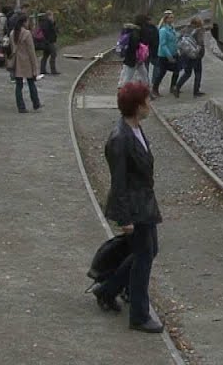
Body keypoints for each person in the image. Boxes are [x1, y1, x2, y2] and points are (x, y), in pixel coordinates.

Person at [90, 81, 164, 334]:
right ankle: (139, 316)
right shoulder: (120, 138)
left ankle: (108, 290)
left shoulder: (135, 130)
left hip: (144, 203)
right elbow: (118, 182)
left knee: (149, 251)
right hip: (134, 207)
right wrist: (125, 219)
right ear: (137, 106)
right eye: (147, 100)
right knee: (144, 257)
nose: (150, 104)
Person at [10, 14, 42, 113]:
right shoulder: (27, 34)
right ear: (24, 22)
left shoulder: (12, 33)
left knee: (19, 85)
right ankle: (36, 103)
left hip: (17, 61)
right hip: (27, 61)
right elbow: (31, 51)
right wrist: (35, 66)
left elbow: (12, 48)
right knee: (31, 83)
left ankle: (21, 106)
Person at [172, 17, 207, 98]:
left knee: (187, 73)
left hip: (186, 54)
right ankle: (196, 91)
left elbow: (178, 38)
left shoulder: (185, 29)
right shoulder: (199, 30)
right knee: (198, 72)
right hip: (196, 55)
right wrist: (200, 51)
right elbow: (200, 42)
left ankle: (177, 87)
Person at [116, 19, 148, 88]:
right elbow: (135, 47)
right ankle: (123, 89)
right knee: (130, 76)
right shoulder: (135, 34)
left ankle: (147, 89)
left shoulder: (127, 34)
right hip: (134, 59)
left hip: (130, 58)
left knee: (142, 73)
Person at [38, 10, 60, 75]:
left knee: (45, 55)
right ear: (49, 16)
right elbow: (49, 31)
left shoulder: (47, 22)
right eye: (52, 15)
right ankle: (53, 70)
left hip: (47, 41)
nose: (53, 17)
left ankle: (43, 70)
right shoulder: (46, 22)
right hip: (49, 41)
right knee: (53, 54)